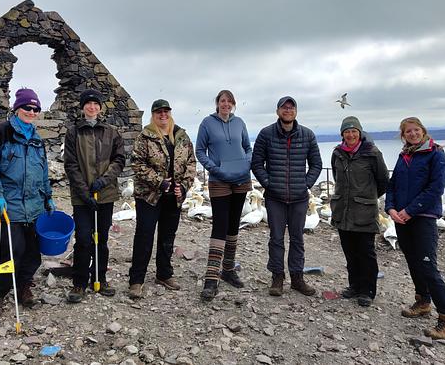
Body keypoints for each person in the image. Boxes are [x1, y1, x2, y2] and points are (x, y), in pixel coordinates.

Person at [0, 88, 55, 310]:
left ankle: (23, 287)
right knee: (9, 253)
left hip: (35, 207)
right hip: (8, 207)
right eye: (27, 108)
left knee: (32, 254)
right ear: (17, 108)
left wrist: (48, 198)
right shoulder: (1, 133)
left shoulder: (37, 140)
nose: (32, 112)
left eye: (36, 109)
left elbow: (43, 174)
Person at [385, 116, 445, 340]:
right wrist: (391, 208)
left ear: (423, 131)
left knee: (428, 267)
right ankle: (423, 301)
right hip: (402, 219)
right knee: (413, 262)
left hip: (422, 217)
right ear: (403, 135)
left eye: (416, 130)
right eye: (408, 131)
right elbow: (393, 184)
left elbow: (436, 188)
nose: (413, 134)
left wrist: (410, 210)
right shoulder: (404, 156)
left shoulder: (436, 154)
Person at [251, 96, 322, 297]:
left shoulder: (307, 135)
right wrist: (269, 183)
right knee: (276, 238)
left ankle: (297, 278)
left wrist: (306, 184)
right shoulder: (266, 134)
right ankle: (277, 277)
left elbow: (316, 164)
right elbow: (257, 163)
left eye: (291, 108)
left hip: (299, 198)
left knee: (298, 239)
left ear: (296, 112)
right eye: (284, 107)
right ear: (278, 111)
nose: (288, 110)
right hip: (275, 198)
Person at [128, 99, 196, 299]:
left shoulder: (182, 136)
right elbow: (137, 163)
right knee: (144, 236)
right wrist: (159, 182)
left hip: (173, 198)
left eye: (166, 111)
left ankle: (164, 274)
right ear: (153, 114)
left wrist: (183, 186)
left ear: (170, 113)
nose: (163, 115)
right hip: (149, 196)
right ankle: (136, 280)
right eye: (159, 112)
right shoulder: (145, 136)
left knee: (167, 237)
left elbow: (191, 163)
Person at [64, 89, 126, 303]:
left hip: (105, 195)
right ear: (83, 107)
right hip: (82, 197)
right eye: (88, 104)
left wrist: (103, 181)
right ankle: (79, 283)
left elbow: (119, 160)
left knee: (102, 238)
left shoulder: (111, 132)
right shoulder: (73, 132)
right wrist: (85, 191)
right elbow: (71, 165)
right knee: (83, 239)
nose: (92, 107)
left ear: (100, 107)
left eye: (95, 104)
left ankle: (99, 278)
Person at [196, 90, 253, 301]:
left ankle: (228, 270)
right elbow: (200, 151)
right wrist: (215, 169)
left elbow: (248, 147)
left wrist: (247, 161)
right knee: (219, 225)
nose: (226, 104)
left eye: (229, 101)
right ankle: (211, 278)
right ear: (217, 103)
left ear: (233, 104)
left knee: (233, 225)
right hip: (219, 180)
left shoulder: (240, 123)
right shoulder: (206, 123)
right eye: (222, 101)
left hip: (241, 178)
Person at [330, 116, 389, 307]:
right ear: (342, 134)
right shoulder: (337, 153)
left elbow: (383, 181)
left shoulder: (372, 153)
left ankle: (368, 290)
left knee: (366, 252)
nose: (350, 134)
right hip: (343, 210)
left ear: (360, 132)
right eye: (347, 131)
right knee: (350, 252)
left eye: (354, 131)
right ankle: (354, 285)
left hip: (364, 212)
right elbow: (337, 176)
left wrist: (367, 198)